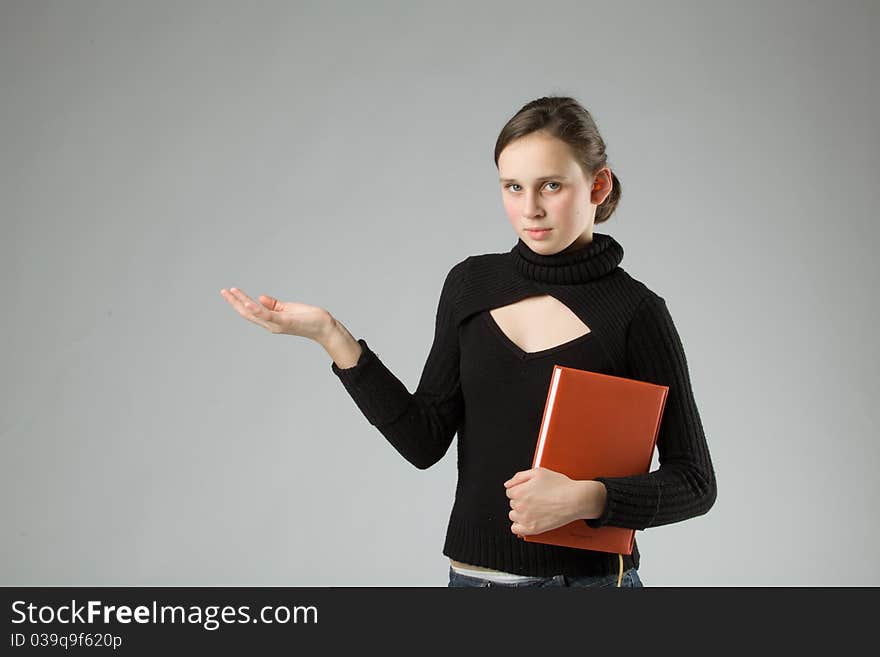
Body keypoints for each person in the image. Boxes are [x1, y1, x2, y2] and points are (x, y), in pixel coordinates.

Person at [220, 95, 717, 588]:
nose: (531, 209)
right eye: (513, 187)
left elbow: (695, 483)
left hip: (585, 588)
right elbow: (423, 439)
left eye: (551, 186)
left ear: (598, 184)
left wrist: (587, 498)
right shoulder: (470, 285)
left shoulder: (636, 312)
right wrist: (331, 335)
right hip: (471, 583)